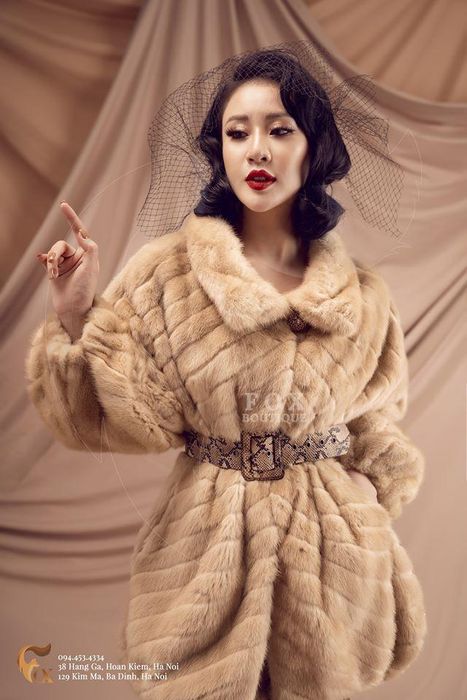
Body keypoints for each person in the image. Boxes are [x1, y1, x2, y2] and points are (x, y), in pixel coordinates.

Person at [26, 44, 426, 700]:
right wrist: (76, 318)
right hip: (204, 557)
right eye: (237, 133)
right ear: (220, 150)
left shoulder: (361, 295)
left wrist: (364, 495)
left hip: (332, 569)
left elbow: (378, 420)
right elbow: (118, 419)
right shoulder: (166, 275)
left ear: (314, 147)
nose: (256, 150)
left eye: (279, 130)